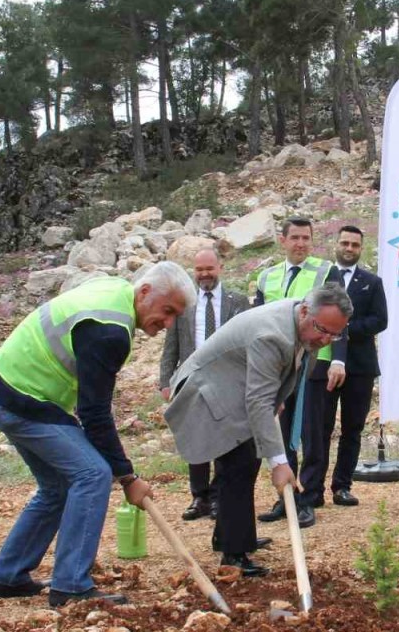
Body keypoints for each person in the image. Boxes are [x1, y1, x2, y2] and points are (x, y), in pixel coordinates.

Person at [0, 262, 192, 608]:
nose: (168, 323)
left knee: (58, 486)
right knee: (92, 474)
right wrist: (127, 476)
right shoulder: (110, 330)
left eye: (175, 317)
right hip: (25, 398)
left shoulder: (116, 293)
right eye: (166, 310)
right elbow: (94, 414)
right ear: (144, 293)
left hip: (10, 386)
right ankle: (70, 586)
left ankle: (8, 576)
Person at [165, 284, 352, 577]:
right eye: (322, 329)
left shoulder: (303, 322)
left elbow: (273, 385)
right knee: (237, 463)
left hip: (235, 385)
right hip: (208, 390)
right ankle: (233, 554)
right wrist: (279, 463)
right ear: (305, 311)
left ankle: (236, 536)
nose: (326, 338)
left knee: (245, 461)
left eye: (334, 334)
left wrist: (274, 401)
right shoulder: (272, 335)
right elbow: (257, 401)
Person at [253, 217, 343, 529]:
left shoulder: (325, 271)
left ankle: (310, 496)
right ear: (283, 240)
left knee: (312, 433)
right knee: (282, 431)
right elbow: (258, 317)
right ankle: (287, 495)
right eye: (295, 238)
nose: (301, 244)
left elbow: (342, 317)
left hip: (315, 362)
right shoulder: (268, 276)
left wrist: (338, 360)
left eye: (306, 238)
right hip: (277, 365)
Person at [158, 248, 250, 522]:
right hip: (192, 380)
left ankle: (220, 497)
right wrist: (166, 381)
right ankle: (199, 497)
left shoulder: (238, 301)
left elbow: (246, 341)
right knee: (196, 437)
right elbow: (170, 346)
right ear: (193, 271)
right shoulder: (184, 304)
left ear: (220, 267)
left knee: (224, 439)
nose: (204, 274)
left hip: (227, 380)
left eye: (209, 268)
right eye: (199, 270)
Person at [303, 225, 388, 508]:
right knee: (320, 428)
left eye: (355, 244)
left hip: (360, 366)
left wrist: (346, 327)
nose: (349, 248)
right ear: (336, 245)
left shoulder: (372, 282)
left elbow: (380, 320)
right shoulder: (323, 280)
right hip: (324, 362)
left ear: (361, 248)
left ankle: (342, 486)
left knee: (352, 428)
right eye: (345, 243)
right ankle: (313, 488)